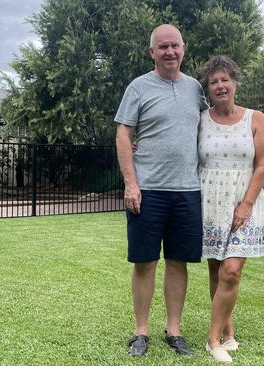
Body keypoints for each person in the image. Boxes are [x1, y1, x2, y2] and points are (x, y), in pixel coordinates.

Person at [115, 24, 208, 357]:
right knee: (144, 262)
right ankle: (141, 332)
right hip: (148, 190)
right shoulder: (138, 87)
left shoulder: (196, 89)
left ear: (184, 48)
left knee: (178, 261)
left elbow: (208, 131)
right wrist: (131, 183)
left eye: (175, 46)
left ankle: (174, 331)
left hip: (187, 191)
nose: (170, 52)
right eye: (162, 47)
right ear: (151, 52)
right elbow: (124, 135)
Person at [198, 55, 264, 363]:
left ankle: (212, 340)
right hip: (210, 201)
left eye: (225, 79)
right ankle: (228, 332)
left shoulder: (255, 118)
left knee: (232, 270)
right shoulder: (200, 118)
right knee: (217, 269)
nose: (220, 85)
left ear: (235, 83)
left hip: (245, 202)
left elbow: (263, 163)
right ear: (208, 87)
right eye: (214, 81)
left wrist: (245, 205)